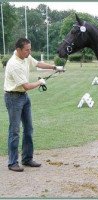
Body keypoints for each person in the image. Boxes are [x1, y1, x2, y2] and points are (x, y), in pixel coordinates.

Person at [4, 38, 63, 172]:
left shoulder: (26, 57)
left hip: (23, 97)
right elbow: (26, 86)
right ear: (18, 49)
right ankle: (12, 163)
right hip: (13, 97)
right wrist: (40, 82)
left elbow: (38, 64)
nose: (29, 52)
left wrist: (54, 67)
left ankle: (27, 159)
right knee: (14, 131)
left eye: (30, 49)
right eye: (27, 50)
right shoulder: (14, 64)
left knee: (29, 129)